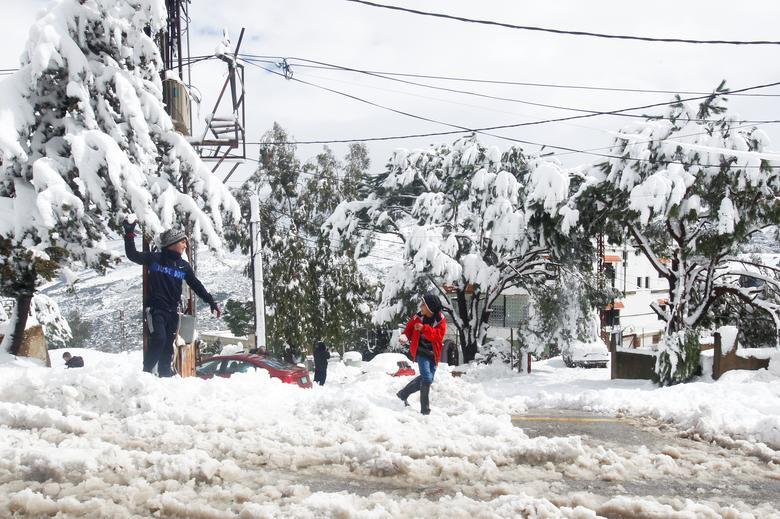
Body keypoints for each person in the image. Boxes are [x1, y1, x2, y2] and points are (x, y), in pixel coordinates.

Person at [123, 220, 221, 377]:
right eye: (182, 242)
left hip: (172, 312)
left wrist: (211, 302)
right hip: (156, 310)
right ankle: (146, 373)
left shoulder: (183, 266)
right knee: (159, 339)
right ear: (172, 243)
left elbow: (196, 285)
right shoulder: (155, 259)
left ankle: (165, 373)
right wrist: (129, 234)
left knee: (168, 344)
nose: (185, 246)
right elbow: (133, 255)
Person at [396, 293, 446, 415]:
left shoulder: (440, 320)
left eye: (423, 304)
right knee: (427, 378)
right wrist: (404, 336)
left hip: (433, 354)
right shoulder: (417, 317)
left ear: (430, 307)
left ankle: (402, 394)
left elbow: (438, 337)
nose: (420, 307)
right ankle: (425, 410)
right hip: (421, 353)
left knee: (427, 379)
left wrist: (424, 328)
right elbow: (408, 329)